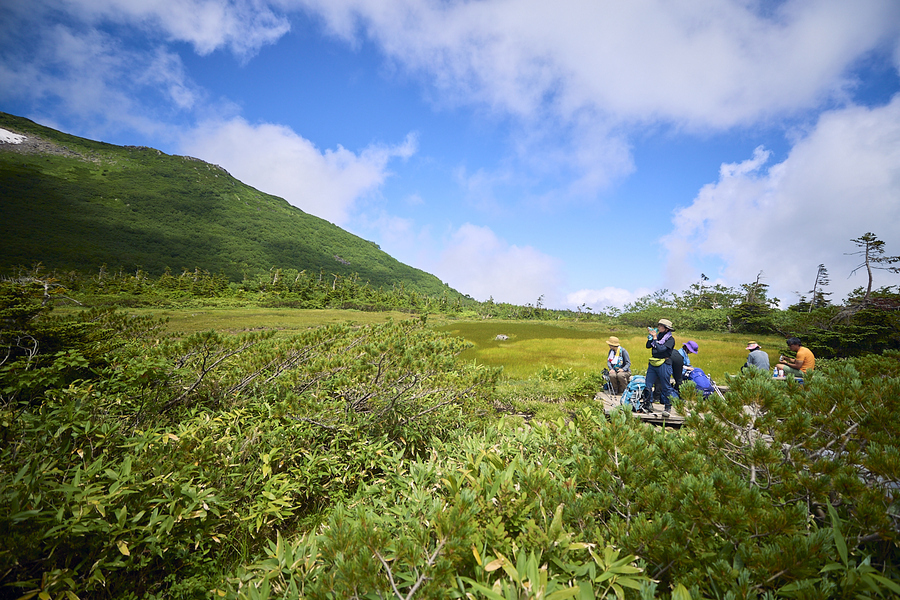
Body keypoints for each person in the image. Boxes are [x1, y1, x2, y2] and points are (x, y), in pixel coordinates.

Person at [643, 318, 678, 416]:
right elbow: (648, 346)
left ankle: (667, 407)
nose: (658, 327)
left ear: (666, 328)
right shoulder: (657, 336)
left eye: (660, 326)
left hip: (664, 363)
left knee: (666, 386)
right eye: (658, 325)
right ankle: (648, 404)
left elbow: (661, 349)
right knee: (648, 384)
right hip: (653, 363)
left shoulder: (670, 339)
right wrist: (651, 337)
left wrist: (655, 338)